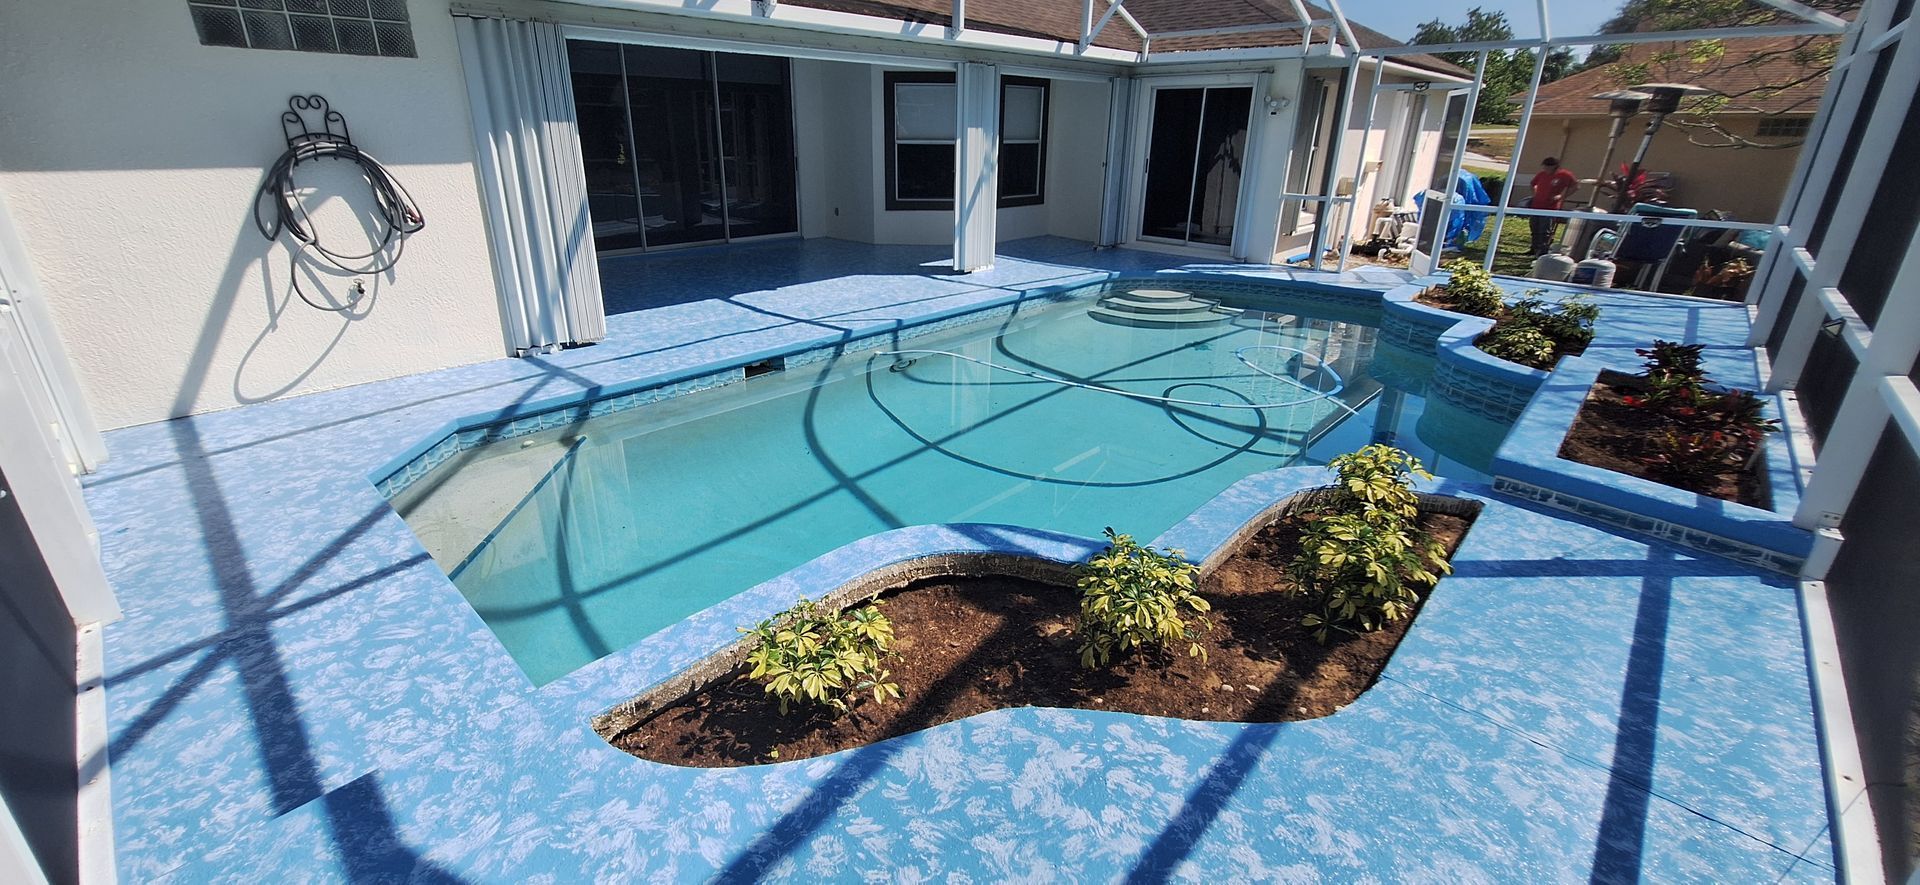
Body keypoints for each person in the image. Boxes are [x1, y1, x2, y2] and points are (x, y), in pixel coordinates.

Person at [1527, 157, 1579, 256]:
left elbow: (1575, 186)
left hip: (1550, 207)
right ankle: (1533, 248)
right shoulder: (1541, 174)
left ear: (1554, 166)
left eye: (1547, 167)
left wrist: (1561, 196)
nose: (1545, 169)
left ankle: (1543, 250)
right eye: (1544, 166)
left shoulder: (1564, 175)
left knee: (1545, 229)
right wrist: (1535, 194)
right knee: (1534, 227)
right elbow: (1532, 184)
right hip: (1537, 205)